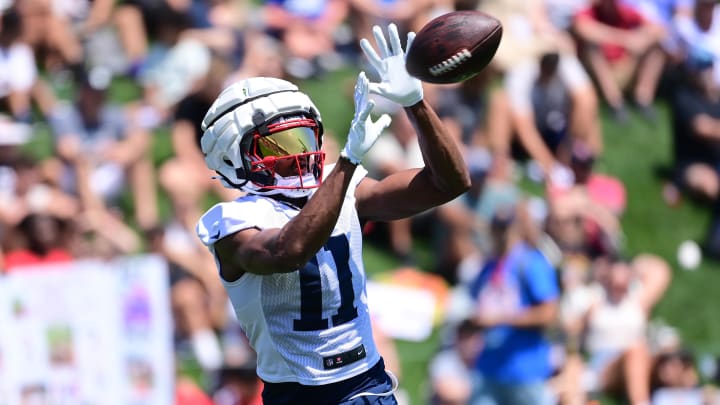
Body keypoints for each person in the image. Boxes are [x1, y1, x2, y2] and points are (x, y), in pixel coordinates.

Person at [196, 23, 471, 404]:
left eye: (303, 137)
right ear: (233, 156)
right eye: (278, 144)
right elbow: (288, 251)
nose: (299, 154)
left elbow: (449, 183)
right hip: (299, 394)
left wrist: (415, 104)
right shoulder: (232, 223)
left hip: (368, 383)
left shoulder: (345, 187)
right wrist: (348, 160)